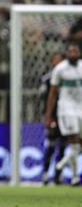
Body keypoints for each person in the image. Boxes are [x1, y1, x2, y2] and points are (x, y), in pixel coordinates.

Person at [45, 43, 82, 186]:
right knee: (73, 141)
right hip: (66, 109)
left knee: (77, 146)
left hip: (81, 108)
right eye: (70, 51)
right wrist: (48, 114)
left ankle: (62, 163)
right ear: (66, 54)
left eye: (75, 51)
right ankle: (74, 177)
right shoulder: (60, 69)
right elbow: (53, 93)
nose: (73, 53)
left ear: (79, 53)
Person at [40, 52, 66, 185]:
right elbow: (44, 99)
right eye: (55, 60)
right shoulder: (47, 78)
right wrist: (47, 116)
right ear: (51, 62)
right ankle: (45, 174)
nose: (58, 63)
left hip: (66, 116)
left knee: (62, 146)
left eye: (60, 60)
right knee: (50, 145)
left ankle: (58, 175)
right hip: (53, 115)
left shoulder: (67, 76)